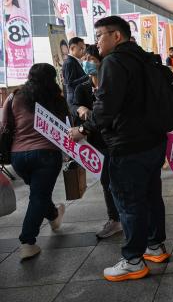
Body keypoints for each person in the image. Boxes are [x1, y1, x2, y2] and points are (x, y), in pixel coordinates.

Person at [90, 15, 170, 281]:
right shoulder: (147, 59)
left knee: (128, 201)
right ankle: (155, 246)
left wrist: (84, 127)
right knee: (151, 194)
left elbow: (105, 107)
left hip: (128, 145)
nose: (96, 41)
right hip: (154, 142)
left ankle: (133, 260)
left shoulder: (114, 62)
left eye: (100, 35)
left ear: (116, 36)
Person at [0, 64, 68, 260]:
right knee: (39, 195)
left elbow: (5, 126)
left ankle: (54, 216)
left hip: (19, 157)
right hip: (47, 154)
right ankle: (28, 241)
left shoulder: (14, 96)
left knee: (39, 192)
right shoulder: (56, 98)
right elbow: (65, 125)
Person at [68, 45, 122, 239]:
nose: (87, 63)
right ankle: (115, 218)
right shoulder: (83, 87)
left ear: (102, 62)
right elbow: (72, 105)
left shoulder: (113, 85)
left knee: (113, 180)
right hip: (97, 141)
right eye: (85, 59)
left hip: (116, 140)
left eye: (91, 59)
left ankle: (118, 218)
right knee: (107, 180)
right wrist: (79, 109)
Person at [62, 37, 89, 108]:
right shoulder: (69, 62)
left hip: (79, 98)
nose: (83, 51)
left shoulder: (75, 61)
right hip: (74, 100)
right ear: (72, 48)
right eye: (81, 48)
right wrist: (88, 76)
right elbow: (70, 84)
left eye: (84, 48)